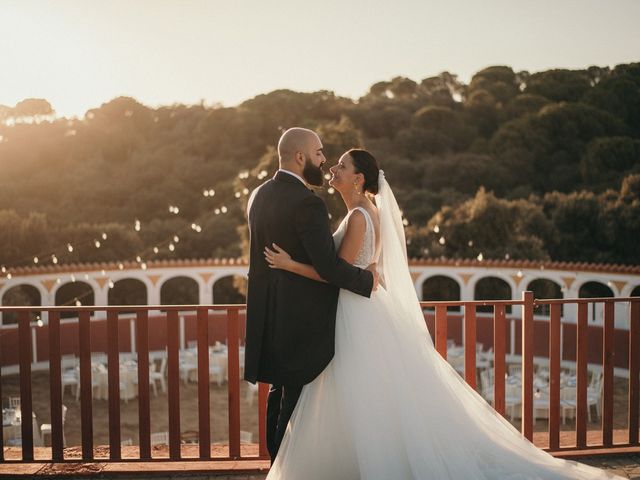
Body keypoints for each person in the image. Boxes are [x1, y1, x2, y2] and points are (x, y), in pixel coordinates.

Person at [263, 148, 622, 479]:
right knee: (370, 391)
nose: (333, 168)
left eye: (342, 165)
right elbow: (361, 268)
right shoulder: (365, 211)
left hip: (356, 313)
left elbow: (335, 273)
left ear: (358, 179)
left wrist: (289, 264)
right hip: (365, 308)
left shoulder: (359, 216)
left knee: (360, 389)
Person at [244, 128, 378, 463]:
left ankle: (277, 464)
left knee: (278, 394)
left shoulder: (258, 195)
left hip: (268, 315)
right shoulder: (308, 203)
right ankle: (286, 467)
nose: (324, 161)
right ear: (301, 157)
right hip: (302, 319)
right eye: (319, 154)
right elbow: (330, 268)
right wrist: (367, 280)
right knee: (296, 405)